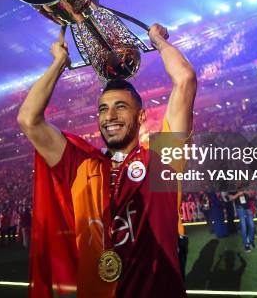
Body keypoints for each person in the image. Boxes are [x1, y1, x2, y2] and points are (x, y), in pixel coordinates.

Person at [17, 23, 196, 297]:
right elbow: (29, 120)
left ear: (142, 117)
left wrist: (157, 41)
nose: (109, 116)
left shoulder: (162, 160)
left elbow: (184, 78)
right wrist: (59, 63)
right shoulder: (80, 166)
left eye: (120, 107)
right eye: (103, 109)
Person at [229, 184, 255, 252]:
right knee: (244, 227)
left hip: (248, 208)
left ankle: (250, 240)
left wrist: (248, 193)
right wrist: (238, 194)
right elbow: (231, 198)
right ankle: (246, 244)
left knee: (252, 225)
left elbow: (251, 196)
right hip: (240, 209)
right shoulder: (232, 189)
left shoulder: (245, 187)